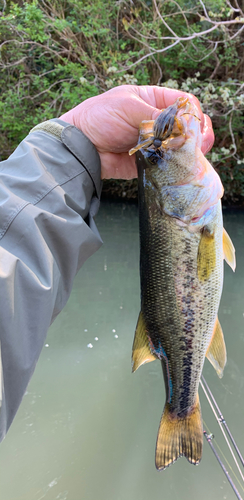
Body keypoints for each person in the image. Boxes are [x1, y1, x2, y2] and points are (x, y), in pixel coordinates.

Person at [0, 85, 215, 442]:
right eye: (157, 156)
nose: (164, 150)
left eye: (158, 155)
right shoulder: (199, 218)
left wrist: (77, 140)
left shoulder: (193, 215)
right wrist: (74, 141)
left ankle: (181, 407)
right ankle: (182, 410)